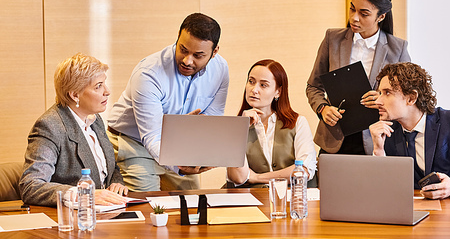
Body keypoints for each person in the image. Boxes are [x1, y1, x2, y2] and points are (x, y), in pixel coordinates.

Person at [107, 13, 229, 192]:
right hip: (134, 143)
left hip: (177, 144)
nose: (188, 60)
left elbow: (212, 117)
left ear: (214, 52)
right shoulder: (149, 73)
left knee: (192, 204)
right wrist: (179, 165)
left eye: (198, 55)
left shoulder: (220, 69)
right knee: (149, 206)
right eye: (183, 50)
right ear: (178, 37)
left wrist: (200, 155)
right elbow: (152, 136)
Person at [306, 0, 411, 156]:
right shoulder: (333, 39)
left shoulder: (397, 49)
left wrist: (382, 97)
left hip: (376, 141)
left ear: (381, 17)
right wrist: (323, 109)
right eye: (352, 9)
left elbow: (407, 98)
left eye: (364, 13)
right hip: (334, 139)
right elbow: (313, 86)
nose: (354, 17)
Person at [19, 54, 128, 207]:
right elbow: (31, 186)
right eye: (98, 86)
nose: (107, 91)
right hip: (71, 220)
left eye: (105, 84)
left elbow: (109, 168)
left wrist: (116, 182)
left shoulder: (95, 120)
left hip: (106, 212)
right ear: (75, 94)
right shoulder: (50, 126)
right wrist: (83, 196)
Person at [369, 62, 450, 199]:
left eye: (387, 93)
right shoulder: (386, 131)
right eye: (380, 93)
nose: (378, 101)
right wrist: (378, 151)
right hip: (408, 210)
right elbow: (381, 190)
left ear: (411, 98)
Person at [227, 59, 317, 187]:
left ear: (278, 91)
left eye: (263, 85)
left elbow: (304, 171)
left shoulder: (298, 123)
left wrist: (257, 177)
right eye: (251, 82)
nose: (254, 89)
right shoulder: (236, 127)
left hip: (291, 200)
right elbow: (239, 177)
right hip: (251, 201)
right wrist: (240, 130)